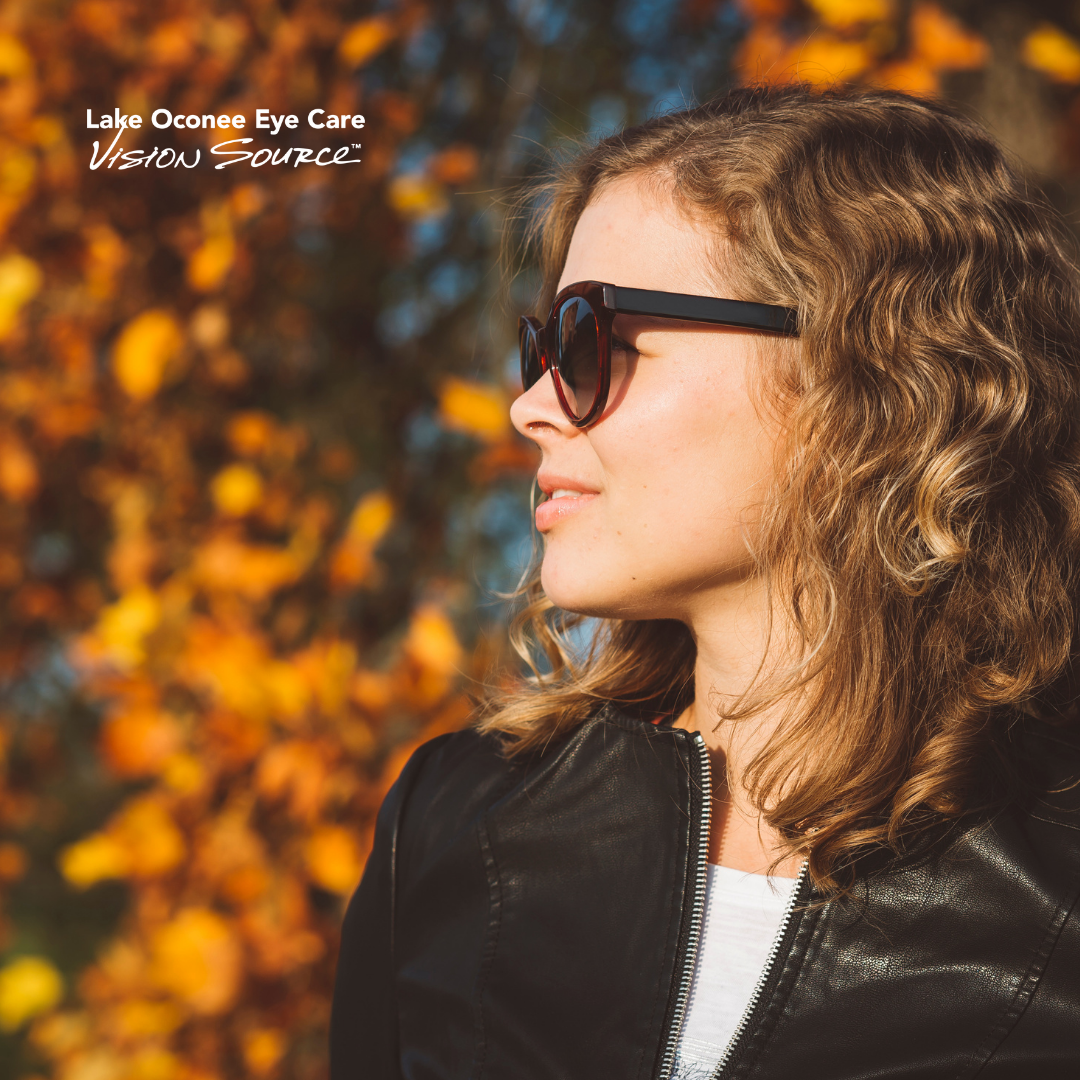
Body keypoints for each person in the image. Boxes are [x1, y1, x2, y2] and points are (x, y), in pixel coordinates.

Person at [329, 84, 1080, 1079]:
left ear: (865, 373)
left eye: (594, 344)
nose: (529, 406)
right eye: (543, 349)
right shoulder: (453, 825)